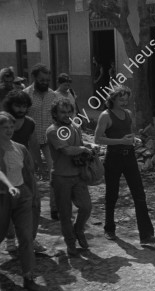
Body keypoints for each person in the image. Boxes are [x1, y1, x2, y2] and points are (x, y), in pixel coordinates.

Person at [94, 85, 155, 245]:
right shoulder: (105, 115)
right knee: (112, 194)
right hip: (113, 157)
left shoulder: (128, 114)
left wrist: (133, 139)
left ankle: (146, 235)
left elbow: (127, 134)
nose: (124, 102)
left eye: (126, 99)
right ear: (113, 99)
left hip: (129, 156)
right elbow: (98, 139)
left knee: (139, 194)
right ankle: (109, 228)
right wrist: (120, 141)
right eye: (120, 99)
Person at [0, 111, 42, 291]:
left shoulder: (20, 148)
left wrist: (32, 195)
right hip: (2, 198)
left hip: (21, 195)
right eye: (4, 128)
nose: (9, 131)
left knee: (25, 237)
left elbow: (28, 173)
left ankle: (28, 276)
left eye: (11, 127)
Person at [46, 98, 93, 257]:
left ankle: (79, 229)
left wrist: (90, 146)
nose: (66, 115)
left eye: (69, 112)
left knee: (86, 207)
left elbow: (81, 143)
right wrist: (82, 149)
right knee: (65, 215)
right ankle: (70, 242)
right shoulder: (52, 130)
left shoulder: (74, 127)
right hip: (61, 178)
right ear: (55, 113)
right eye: (62, 112)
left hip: (78, 175)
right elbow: (65, 150)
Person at [3, 89, 45, 253]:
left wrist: (40, 165)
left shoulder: (29, 123)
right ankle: (10, 238)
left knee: (33, 204)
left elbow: (33, 144)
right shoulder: (3, 121)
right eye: (17, 106)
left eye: (24, 106)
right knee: (7, 206)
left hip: (25, 168)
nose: (21, 109)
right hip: (5, 170)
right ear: (10, 105)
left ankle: (30, 239)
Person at [23, 63, 58, 219]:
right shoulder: (25, 95)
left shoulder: (53, 96)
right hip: (30, 142)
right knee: (31, 174)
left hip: (49, 141)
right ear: (35, 78)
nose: (45, 82)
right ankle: (30, 208)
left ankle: (55, 208)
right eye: (42, 79)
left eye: (47, 80)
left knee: (54, 174)